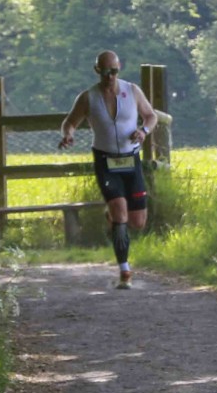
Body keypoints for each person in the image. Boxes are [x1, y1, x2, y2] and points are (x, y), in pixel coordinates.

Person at [59, 50, 155, 289]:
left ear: (119, 69)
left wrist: (143, 131)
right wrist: (68, 135)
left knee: (138, 222)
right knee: (121, 212)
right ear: (97, 71)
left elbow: (150, 115)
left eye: (114, 71)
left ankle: (111, 215)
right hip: (105, 160)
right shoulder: (88, 97)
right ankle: (125, 272)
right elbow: (70, 121)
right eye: (105, 71)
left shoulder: (131, 90)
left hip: (130, 160)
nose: (110, 76)